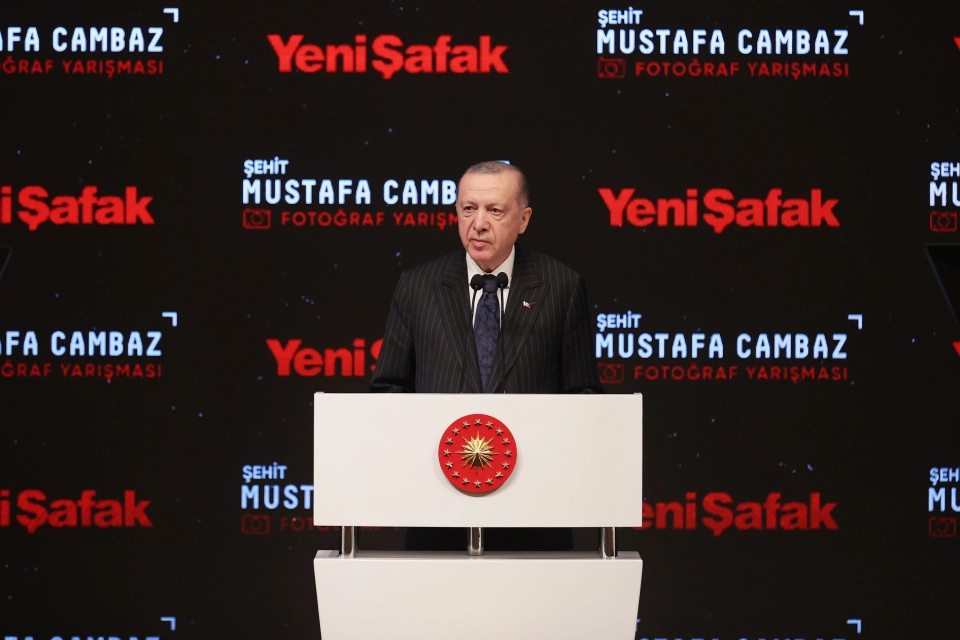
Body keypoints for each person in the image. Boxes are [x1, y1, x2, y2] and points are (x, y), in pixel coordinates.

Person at [371, 160, 602, 550]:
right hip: (437, 507)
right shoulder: (418, 286)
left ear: (523, 220)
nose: (478, 224)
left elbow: (584, 397)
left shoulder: (561, 286)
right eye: (468, 209)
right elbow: (389, 390)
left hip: (535, 510)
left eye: (494, 211)